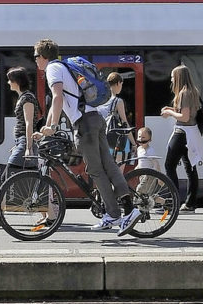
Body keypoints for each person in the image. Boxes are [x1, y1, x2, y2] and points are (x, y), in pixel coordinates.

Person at [31, 38, 141, 236]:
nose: (35, 61)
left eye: (36, 56)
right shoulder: (63, 67)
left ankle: (117, 214)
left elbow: (57, 97)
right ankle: (126, 209)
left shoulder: (52, 69)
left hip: (85, 124)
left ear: (43, 56)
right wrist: (46, 127)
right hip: (95, 118)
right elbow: (59, 102)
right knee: (108, 165)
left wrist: (53, 126)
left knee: (95, 170)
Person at [0, 66, 43, 228]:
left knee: (7, 177)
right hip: (21, 143)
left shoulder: (27, 99)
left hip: (25, 143)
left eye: (10, 79)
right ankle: (49, 214)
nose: (8, 83)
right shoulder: (24, 97)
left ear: (17, 81)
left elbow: (29, 124)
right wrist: (17, 146)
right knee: (31, 178)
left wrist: (27, 147)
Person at [161, 64, 203, 213]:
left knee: (169, 165)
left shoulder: (183, 93)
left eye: (173, 77)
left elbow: (184, 117)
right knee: (191, 168)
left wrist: (170, 114)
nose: (172, 80)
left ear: (179, 77)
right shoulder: (193, 91)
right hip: (192, 134)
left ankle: (172, 202)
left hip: (182, 133)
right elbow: (188, 112)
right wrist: (171, 109)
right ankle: (190, 203)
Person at [98, 72, 137, 159]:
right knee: (118, 170)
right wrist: (133, 143)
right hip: (116, 141)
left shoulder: (100, 100)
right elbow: (125, 123)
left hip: (102, 140)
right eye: (121, 84)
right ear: (118, 83)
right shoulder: (118, 101)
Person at [134, 126, 163, 199]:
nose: (141, 139)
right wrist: (137, 167)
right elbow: (141, 160)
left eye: (143, 137)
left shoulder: (150, 151)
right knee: (148, 195)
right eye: (139, 137)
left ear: (150, 140)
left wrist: (160, 177)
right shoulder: (139, 149)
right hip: (142, 175)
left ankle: (136, 205)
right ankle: (164, 202)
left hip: (149, 175)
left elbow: (156, 163)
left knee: (139, 191)